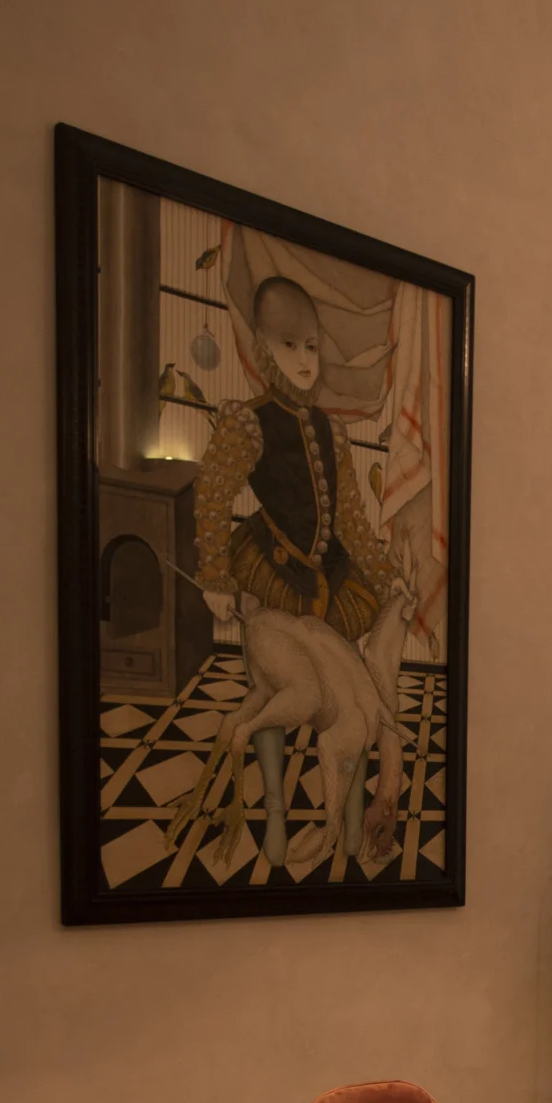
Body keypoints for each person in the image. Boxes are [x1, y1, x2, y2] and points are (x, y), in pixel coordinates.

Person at [193, 276, 396, 864]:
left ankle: (352, 821)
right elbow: (212, 495)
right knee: (277, 694)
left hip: (332, 578)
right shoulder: (246, 422)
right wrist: (213, 575)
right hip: (272, 569)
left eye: (310, 346)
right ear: (262, 347)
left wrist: (387, 582)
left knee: (353, 701)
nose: (303, 360)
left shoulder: (333, 430)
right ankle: (277, 818)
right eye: (289, 346)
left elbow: (354, 521)